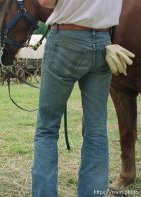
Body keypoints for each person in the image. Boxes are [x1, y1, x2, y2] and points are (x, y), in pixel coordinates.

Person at [32, 0, 125, 196]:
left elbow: (46, 2)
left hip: (66, 37)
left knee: (47, 129)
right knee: (96, 130)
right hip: (103, 41)